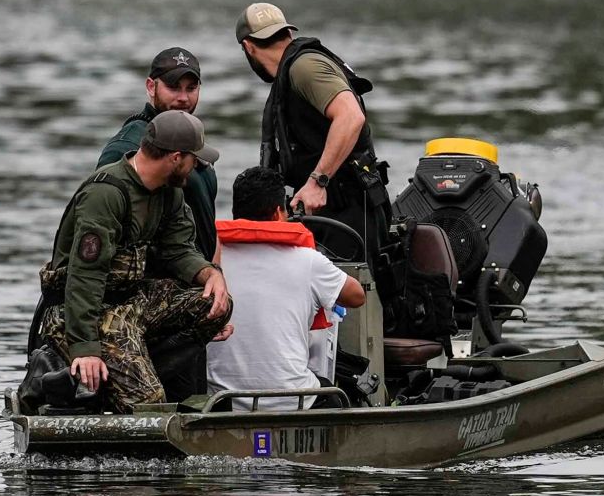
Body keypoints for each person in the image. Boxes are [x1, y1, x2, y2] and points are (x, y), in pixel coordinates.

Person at [36, 111, 233, 413]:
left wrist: (210, 274)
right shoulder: (106, 194)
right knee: (148, 405)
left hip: (130, 305)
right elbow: (85, 277)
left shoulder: (169, 193)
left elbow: (179, 250)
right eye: (195, 159)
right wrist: (85, 349)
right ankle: (66, 381)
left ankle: (131, 371)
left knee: (215, 304)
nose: (198, 167)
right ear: (176, 158)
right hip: (77, 313)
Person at [234, 2, 392, 264]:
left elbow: (351, 117)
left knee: (349, 298)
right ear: (287, 34)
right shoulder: (293, 70)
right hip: (332, 210)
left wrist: (317, 181)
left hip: (349, 210)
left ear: (248, 47)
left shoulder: (304, 67)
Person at [207, 167, 365, 411]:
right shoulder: (308, 260)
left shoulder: (209, 262)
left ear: (235, 213)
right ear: (277, 212)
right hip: (293, 399)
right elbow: (357, 296)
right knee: (342, 392)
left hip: (222, 402)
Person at [98, 47, 220, 264]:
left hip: (198, 278)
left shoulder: (195, 144)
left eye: (191, 88)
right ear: (151, 87)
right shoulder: (126, 147)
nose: (183, 98)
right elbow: (102, 225)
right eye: (173, 88)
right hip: (155, 288)